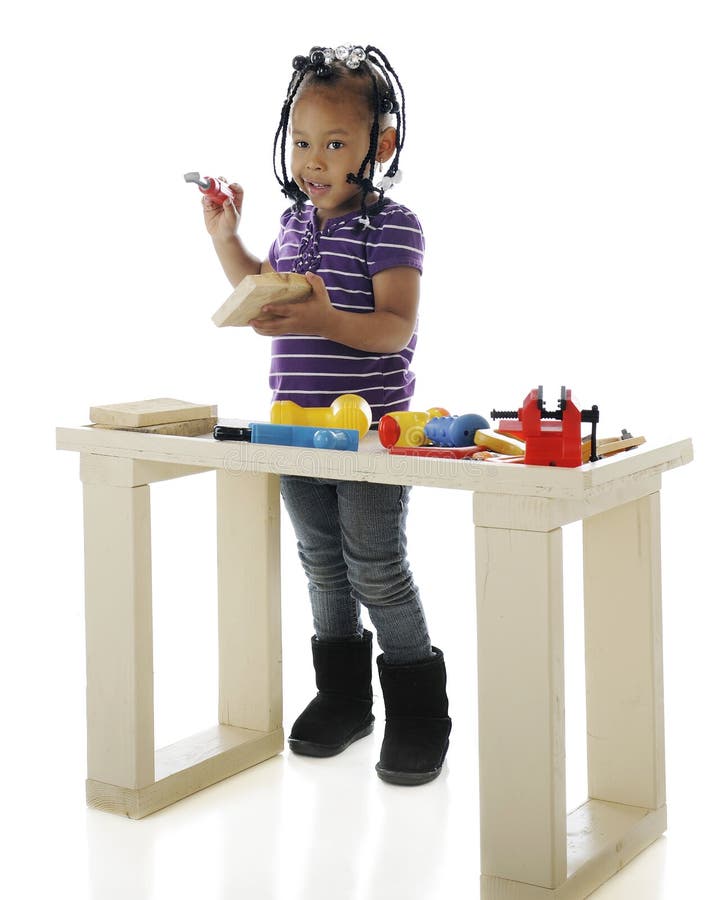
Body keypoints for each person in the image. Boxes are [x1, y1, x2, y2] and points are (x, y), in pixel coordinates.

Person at [201, 43, 451, 786]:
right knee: (322, 568)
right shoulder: (294, 226)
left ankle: (417, 712)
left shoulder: (392, 226)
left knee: (376, 567)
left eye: (335, 143)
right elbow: (264, 292)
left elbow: (392, 327)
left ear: (381, 146)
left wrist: (318, 320)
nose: (314, 160)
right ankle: (344, 697)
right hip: (293, 430)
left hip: (370, 439)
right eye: (303, 142)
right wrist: (228, 243)